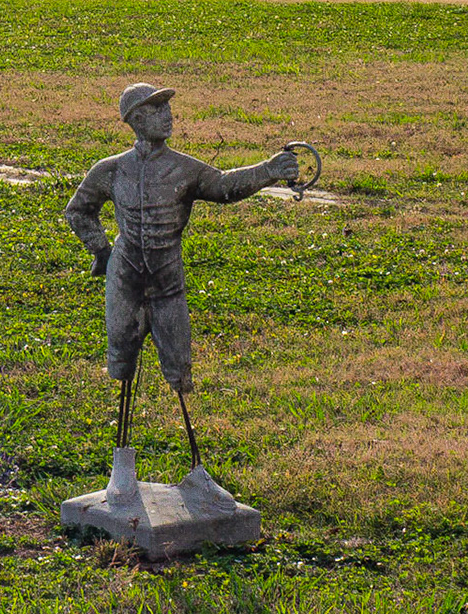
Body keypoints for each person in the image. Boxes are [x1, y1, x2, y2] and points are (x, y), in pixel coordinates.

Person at [65, 83, 301, 464]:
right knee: (122, 357)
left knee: (177, 362)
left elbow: (223, 186)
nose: (169, 116)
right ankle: (121, 467)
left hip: (166, 279)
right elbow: (78, 210)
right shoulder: (110, 170)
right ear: (137, 120)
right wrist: (102, 251)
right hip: (124, 276)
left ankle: (195, 465)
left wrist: (268, 171)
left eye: (168, 109)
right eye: (158, 110)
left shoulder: (185, 168)